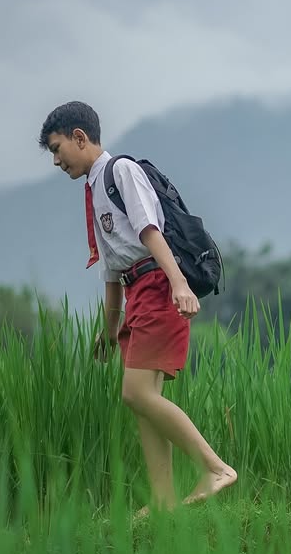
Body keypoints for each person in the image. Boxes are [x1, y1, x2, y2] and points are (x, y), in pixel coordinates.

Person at [38, 100, 236, 513]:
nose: (56, 161)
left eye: (57, 149)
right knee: (146, 403)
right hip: (136, 293)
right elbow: (112, 267)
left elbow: (150, 230)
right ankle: (163, 501)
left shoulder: (121, 171)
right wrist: (110, 330)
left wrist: (179, 284)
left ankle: (216, 469)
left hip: (159, 284)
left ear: (80, 137)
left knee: (136, 393)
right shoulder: (94, 189)